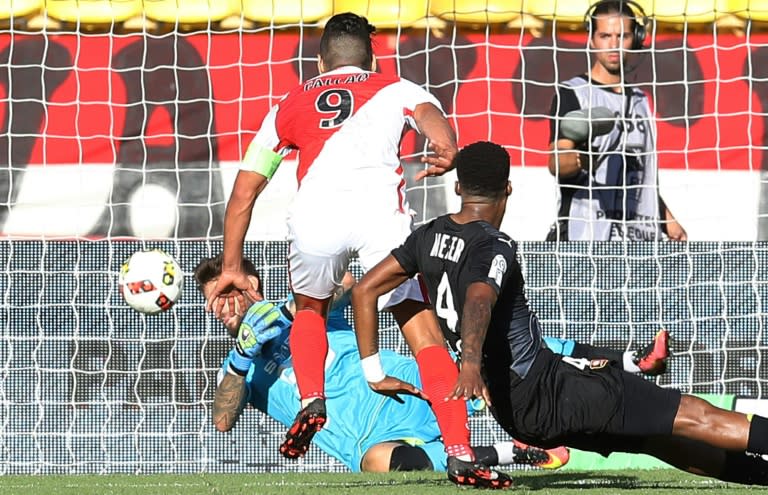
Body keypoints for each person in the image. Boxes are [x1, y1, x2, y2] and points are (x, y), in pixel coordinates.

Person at [353, 141, 768, 486]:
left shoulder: (428, 236)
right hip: (549, 392)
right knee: (695, 415)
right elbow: (481, 298)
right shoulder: (495, 246)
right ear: (509, 189)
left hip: (518, 413)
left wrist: (373, 370)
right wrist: (471, 365)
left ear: (458, 186)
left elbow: (365, 288)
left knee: (658, 440)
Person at [205, 11, 494, 488]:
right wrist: (446, 147)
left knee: (310, 311)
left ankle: (311, 400)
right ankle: (460, 450)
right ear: (372, 55)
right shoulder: (396, 87)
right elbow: (431, 121)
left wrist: (233, 265)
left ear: (320, 63)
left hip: (317, 219)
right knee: (423, 332)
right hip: (381, 216)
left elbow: (243, 193)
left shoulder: (288, 104)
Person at [194, 254, 570, 473]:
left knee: (480, 367)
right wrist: (241, 356)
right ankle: (516, 453)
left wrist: (294, 309)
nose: (224, 306)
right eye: (214, 300)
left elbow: (344, 282)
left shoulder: (308, 314)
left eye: (230, 292)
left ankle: (580, 362)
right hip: (367, 438)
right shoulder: (238, 369)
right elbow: (222, 421)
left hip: (401, 386)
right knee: (377, 463)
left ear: (253, 285)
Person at [547, 0, 687, 242]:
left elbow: (643, 178)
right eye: (605, 35)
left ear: (637, 38)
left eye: (622, 36)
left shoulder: (641, 99)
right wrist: (582, 160)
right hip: (587, 238)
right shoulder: (573, 93)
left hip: (639, 242)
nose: (613, 45)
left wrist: (669, 221)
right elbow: (557, 162)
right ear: (591, 39)